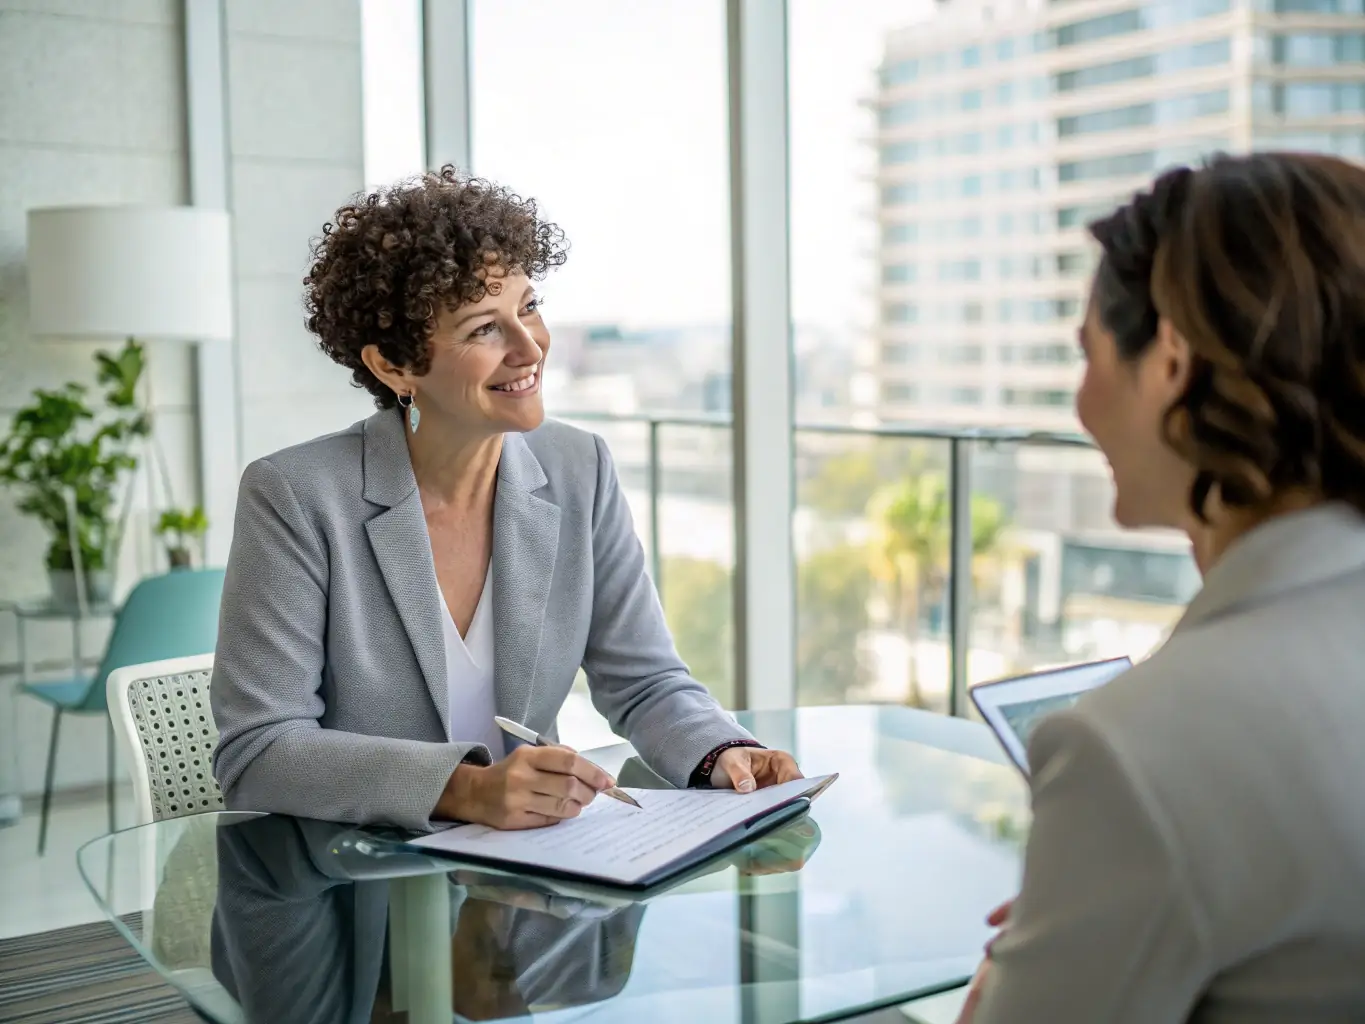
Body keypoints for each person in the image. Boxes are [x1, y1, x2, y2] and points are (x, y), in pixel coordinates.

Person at [210, 167, 800, 833]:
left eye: (527, 307)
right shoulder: (296, 496)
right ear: (394, 366)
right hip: (357, 887)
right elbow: (260, 751)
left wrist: (726, 752)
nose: (530, 348)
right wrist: (467, 791)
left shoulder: (579, 467)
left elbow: (645, 681)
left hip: (528, 889)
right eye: (482, 328)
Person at [959, 151, 1365, 1022]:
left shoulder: (1131, 752)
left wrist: (1007, 984)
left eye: (1089, 357)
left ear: (1170, 362)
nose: (1080, 403)